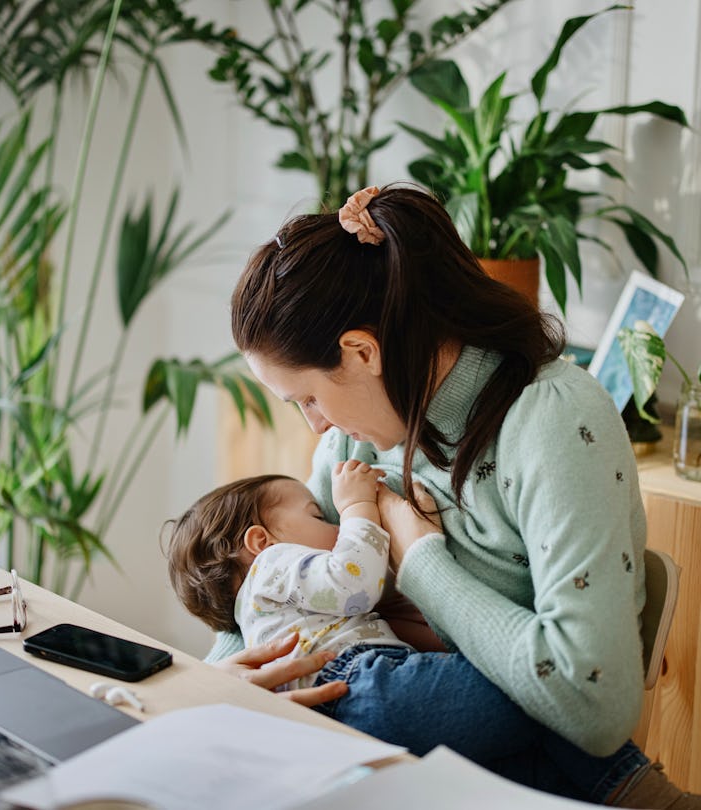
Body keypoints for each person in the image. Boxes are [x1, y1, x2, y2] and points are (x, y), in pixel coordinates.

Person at [207, 184, 698, 808]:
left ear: (361, 352)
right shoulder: (351, 450)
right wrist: (221, 678)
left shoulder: (551, 422)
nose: (315, 427)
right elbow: (273, 575)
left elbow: (596, 706)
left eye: (306, 398)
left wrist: (422, 563)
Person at [166, 460, 548, 762]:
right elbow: (355, 582)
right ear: (260, 540)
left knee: (523, 749)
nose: (335, 527)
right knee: (529, 692)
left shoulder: (271, 604)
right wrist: (357, 507)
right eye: (318, 516)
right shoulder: (272, 565)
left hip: (345, 704)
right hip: (359, 682)